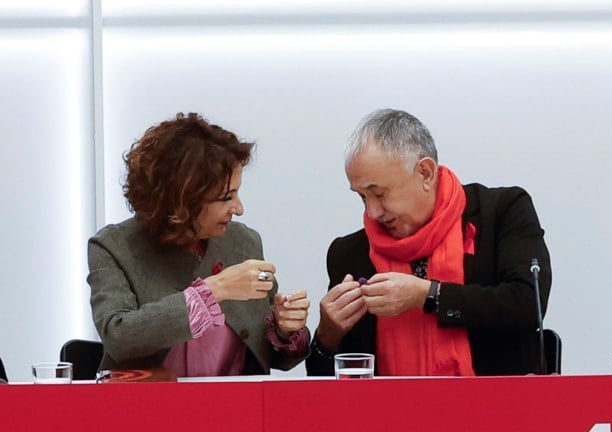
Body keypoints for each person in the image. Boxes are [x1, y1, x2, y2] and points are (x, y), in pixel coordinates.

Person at [306, 109, 551, 376]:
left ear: (425, 173)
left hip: (496, 407)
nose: (373, 212)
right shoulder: (349, 253)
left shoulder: (501, 212)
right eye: (362, 197)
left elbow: (527, 305)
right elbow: (325, 386)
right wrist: (327, 335)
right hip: (386, 414)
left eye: (379, 193)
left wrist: (428, 295)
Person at [88, 113, 310, 376]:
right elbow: (119, 338)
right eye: (226, 197)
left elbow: (273, 357)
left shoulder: (244, 241)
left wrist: (285, 328)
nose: (239, 209)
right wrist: (214, 290)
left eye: (237, 193)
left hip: (236, 408)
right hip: (145, 409)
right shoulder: (113, 247)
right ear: (183, 201)